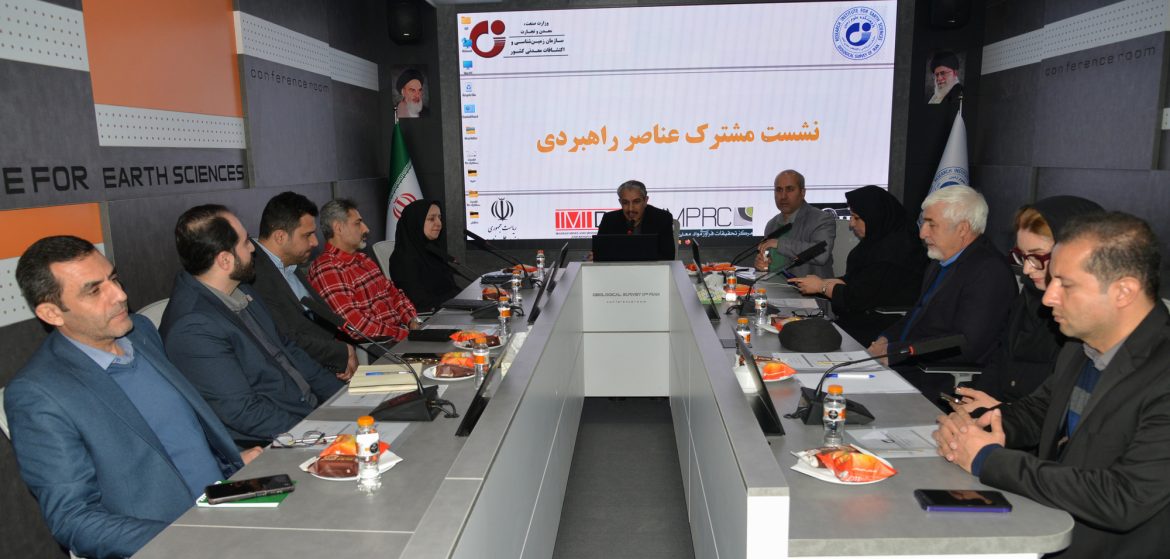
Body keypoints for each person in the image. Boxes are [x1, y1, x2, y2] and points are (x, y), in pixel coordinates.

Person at [935, 212, 1170, 559]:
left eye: (1065, 284)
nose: (1048, 297)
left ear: (1123, 291)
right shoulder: (1079, 347)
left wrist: (988, 459)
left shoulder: (1161, 372)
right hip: (1047, 523)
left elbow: (1124, 497)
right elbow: (1040, 410)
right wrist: (978, 427)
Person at [6, 236, 257, 559]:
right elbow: (74, 520)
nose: (120, 295)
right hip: (171, 543)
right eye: (94, 290)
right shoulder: (38, 394)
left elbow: (178, 434)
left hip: (229, 505)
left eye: (113, 278)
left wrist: (233, 465)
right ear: (52, 313)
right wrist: (189, 536)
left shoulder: (139, 331)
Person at [160, 205, 344, 444]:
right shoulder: (193, 328)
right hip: (278, 438)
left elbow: (289, 349)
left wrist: (343, 398)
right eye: (246, 242)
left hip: (310, 414)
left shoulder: (241, 288)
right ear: (225, 260)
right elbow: (243, 412)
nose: (253, 248)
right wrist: (319, 434)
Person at [867, 185, 1016, 399]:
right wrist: (886, 339)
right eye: (923, 223)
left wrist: (895, 353)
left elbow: (965, 345)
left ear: (962, 228)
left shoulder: (989, 271)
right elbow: (917, 314)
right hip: (908, 365)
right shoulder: (939, 261)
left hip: (936, 379)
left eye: (931, 224)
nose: (922, 233)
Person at [962, 196, 1103, 403]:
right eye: (1022, 256)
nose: (1027, 269)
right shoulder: (1028, 296)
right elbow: (1000, 360)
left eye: (1037, 256)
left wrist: (999, 411)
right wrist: (975, 403)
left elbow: (1052, 408)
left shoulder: (1085, 320)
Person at [787, 185, 927, 345]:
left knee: (801, 338)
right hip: (858, 322)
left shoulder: (894, 253)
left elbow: (858, 297)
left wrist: (822, 287)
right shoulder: (875, 244)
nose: (851, 224)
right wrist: (824, 283)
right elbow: (858, 280)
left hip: (881, 332)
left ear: (875, 216)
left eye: (856, 218)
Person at [251, 191, 358, 381]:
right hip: (305, 377)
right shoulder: (256, 275)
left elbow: (319, 323)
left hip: (331, 365)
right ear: (280, 236)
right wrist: (341, 352)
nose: (315, 242)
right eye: (307, 235)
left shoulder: (290, 263)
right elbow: (286, 338)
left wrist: (344, 348)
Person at [309, 199, 422, 340]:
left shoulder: (364, 259)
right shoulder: (327, 269)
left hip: (400, 336)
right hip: (381, 346)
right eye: (358, 223)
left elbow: (394, 294)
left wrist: (413, 320)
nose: (366, 229)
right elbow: (357, 327)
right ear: (338, 228)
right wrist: (406, 335)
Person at [754, 169, 835, 278]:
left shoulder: (821, 219)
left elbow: (821, 255)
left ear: (802, 192)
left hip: (807, 288)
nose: (783, 196)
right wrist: (762, 265)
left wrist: (779, 244)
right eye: (779, 190)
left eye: (790, 189)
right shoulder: (771, 224)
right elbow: (768, 263)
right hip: (774, 286)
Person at [389, 199, 462, 313]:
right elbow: (421, 304)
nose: (439, 223)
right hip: (431, 318)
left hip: (450, 310)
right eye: (431, 219)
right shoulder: (402, 260)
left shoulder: (433, 250)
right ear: (416, 222)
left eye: (439, 218)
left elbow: (450, 288)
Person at [596, 180, 676, 260]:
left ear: (645, 201)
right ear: (620, 202)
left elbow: (668, 256)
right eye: (625, 203)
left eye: (636, 202)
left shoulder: (662, 218)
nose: (630, 209)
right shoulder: (609, 219)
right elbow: (599, 253)